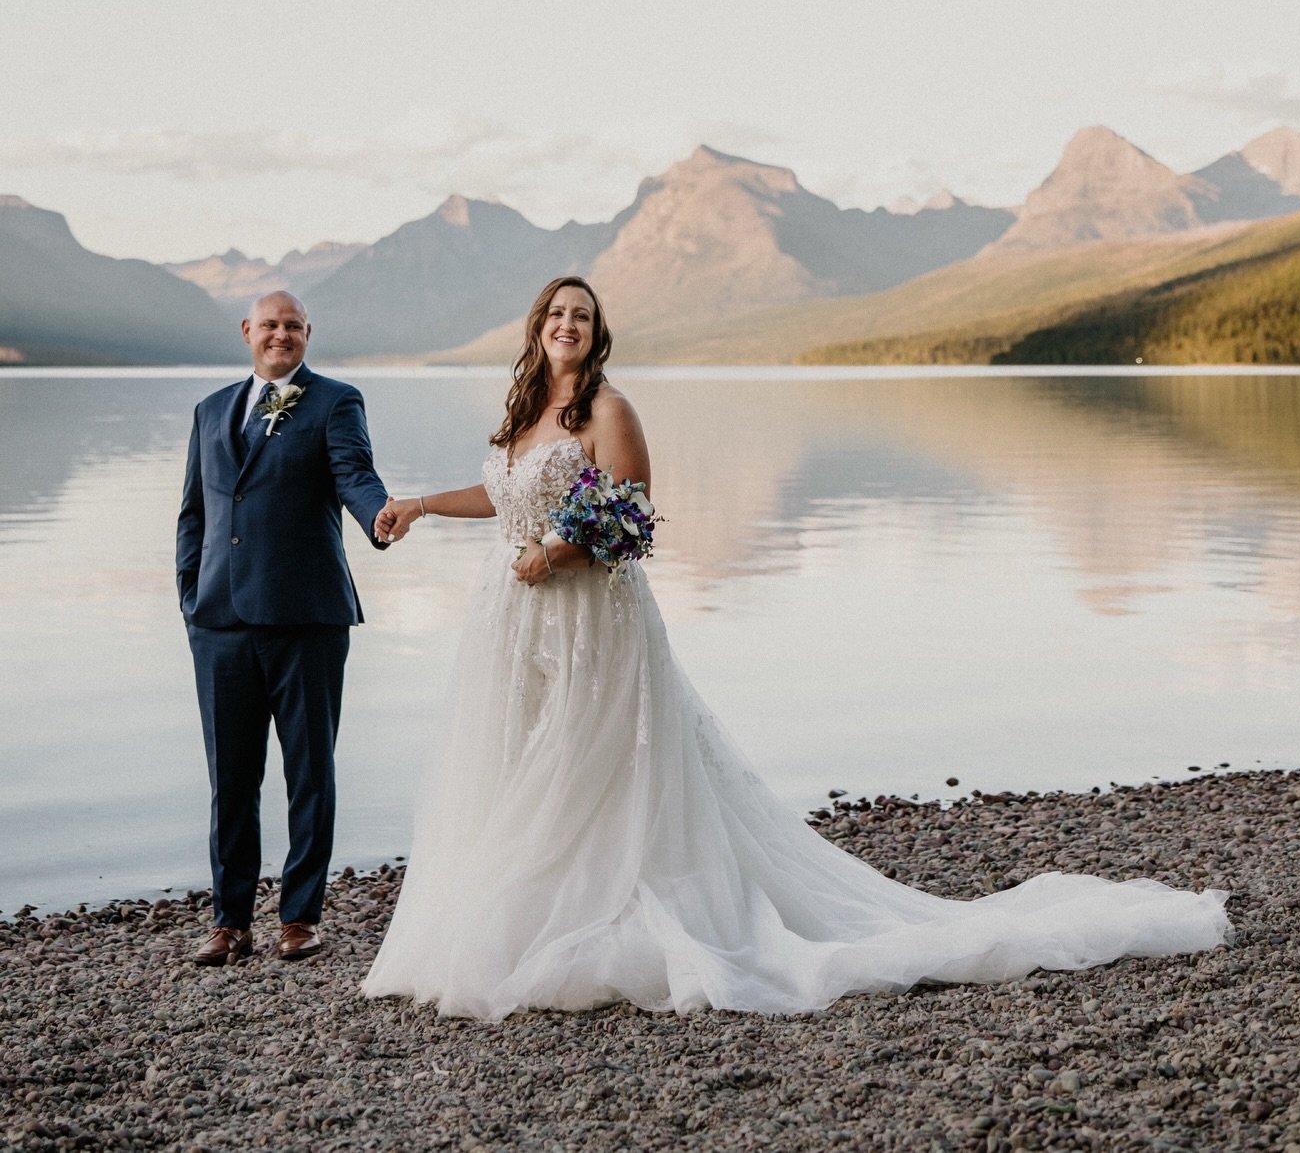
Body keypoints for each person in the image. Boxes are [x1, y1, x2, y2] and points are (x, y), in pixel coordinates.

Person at [365, 275, 1231, 1018]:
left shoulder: (609, 408)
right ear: (536, 326)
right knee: (526, 761)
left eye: (583, 316)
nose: (568, 325)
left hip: (589, 617)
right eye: (557, 312)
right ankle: (528, 910)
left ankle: (604, 909)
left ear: (597, 335)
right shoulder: (523, 412)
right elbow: (506, 497)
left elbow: (628, 518)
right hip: (516, 625)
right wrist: (424, 505)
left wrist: (553, 554)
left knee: (591, 765)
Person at [176, 290, 404, 966]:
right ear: (248, 330)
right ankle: (230, 922)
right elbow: (195, 512)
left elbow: (354, 475)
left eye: (294, 326)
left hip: (306, 617)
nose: (281, 335)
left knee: (310, 771)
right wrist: (191, 596)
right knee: (232, 778)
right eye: (270, 325)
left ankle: (300, 918)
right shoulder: (210, 409)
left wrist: (378, 517)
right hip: (219, 622)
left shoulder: (335, 401)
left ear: (308, 334)